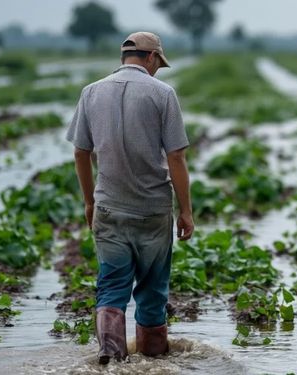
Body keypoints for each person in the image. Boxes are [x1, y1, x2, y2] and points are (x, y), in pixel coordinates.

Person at [66, 31, 194, 364]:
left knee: (111, 287)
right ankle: (153, 363)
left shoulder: (90, 92)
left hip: (108, 207)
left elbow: (81, 153)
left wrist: (90, 202)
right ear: (152, 58)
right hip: (152, 211)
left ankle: (110, 354)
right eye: (158, 64)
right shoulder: (163, 94)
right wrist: (186, 211)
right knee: (152, 291)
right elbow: (177, 158)